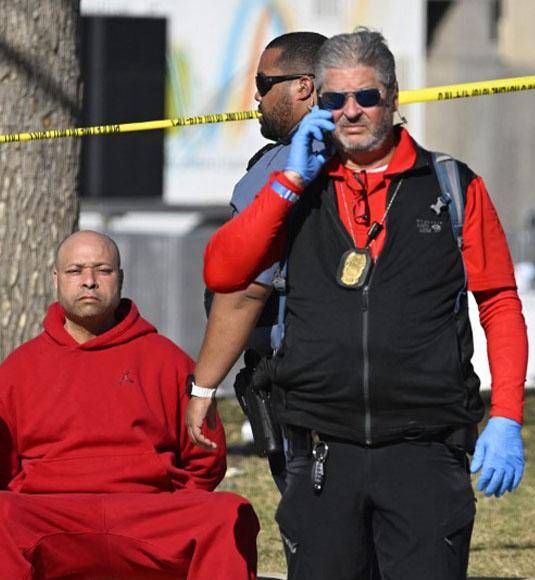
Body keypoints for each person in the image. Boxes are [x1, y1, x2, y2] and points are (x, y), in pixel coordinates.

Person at [189, 28, 528, 578]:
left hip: (424, 447)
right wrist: (289, 181)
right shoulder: (296, 185)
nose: (350, 111)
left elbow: (499, 302)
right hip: (321, 449)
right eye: (335, 99)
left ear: (392, 98)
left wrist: (508, 415)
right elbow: (225, 272)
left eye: (366, 96)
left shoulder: (451, 186)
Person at [0, 231, 259, 579]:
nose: (89, 281)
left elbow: (205, 458)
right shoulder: (20, 369)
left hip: (149, 516)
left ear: (120, 278)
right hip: (51, 517)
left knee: (227, 513)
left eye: (103, 270)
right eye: (75, 271)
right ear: (56, 279)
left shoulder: (167, 361)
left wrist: (164, 500)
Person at [195, 31, 327, 489]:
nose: (256, 96)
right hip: (390, 390)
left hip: (302, 384)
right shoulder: (381, 159)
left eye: (264, 83)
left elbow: (245, 289)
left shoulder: (277, 167)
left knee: (313, 517)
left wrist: (203, 387)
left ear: (304, 86)